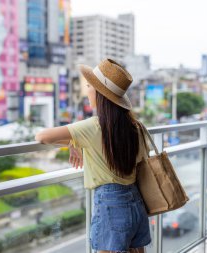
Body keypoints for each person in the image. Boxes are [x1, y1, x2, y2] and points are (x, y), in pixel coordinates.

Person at [35, 59, 151, 253]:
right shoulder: (134, 127)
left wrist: (74, 141)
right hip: (135, 200)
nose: (86, 90)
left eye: (89, 86)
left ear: (100, 94)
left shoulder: (93, 126)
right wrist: (75, 141)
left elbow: (42, 137)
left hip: (110, 203)